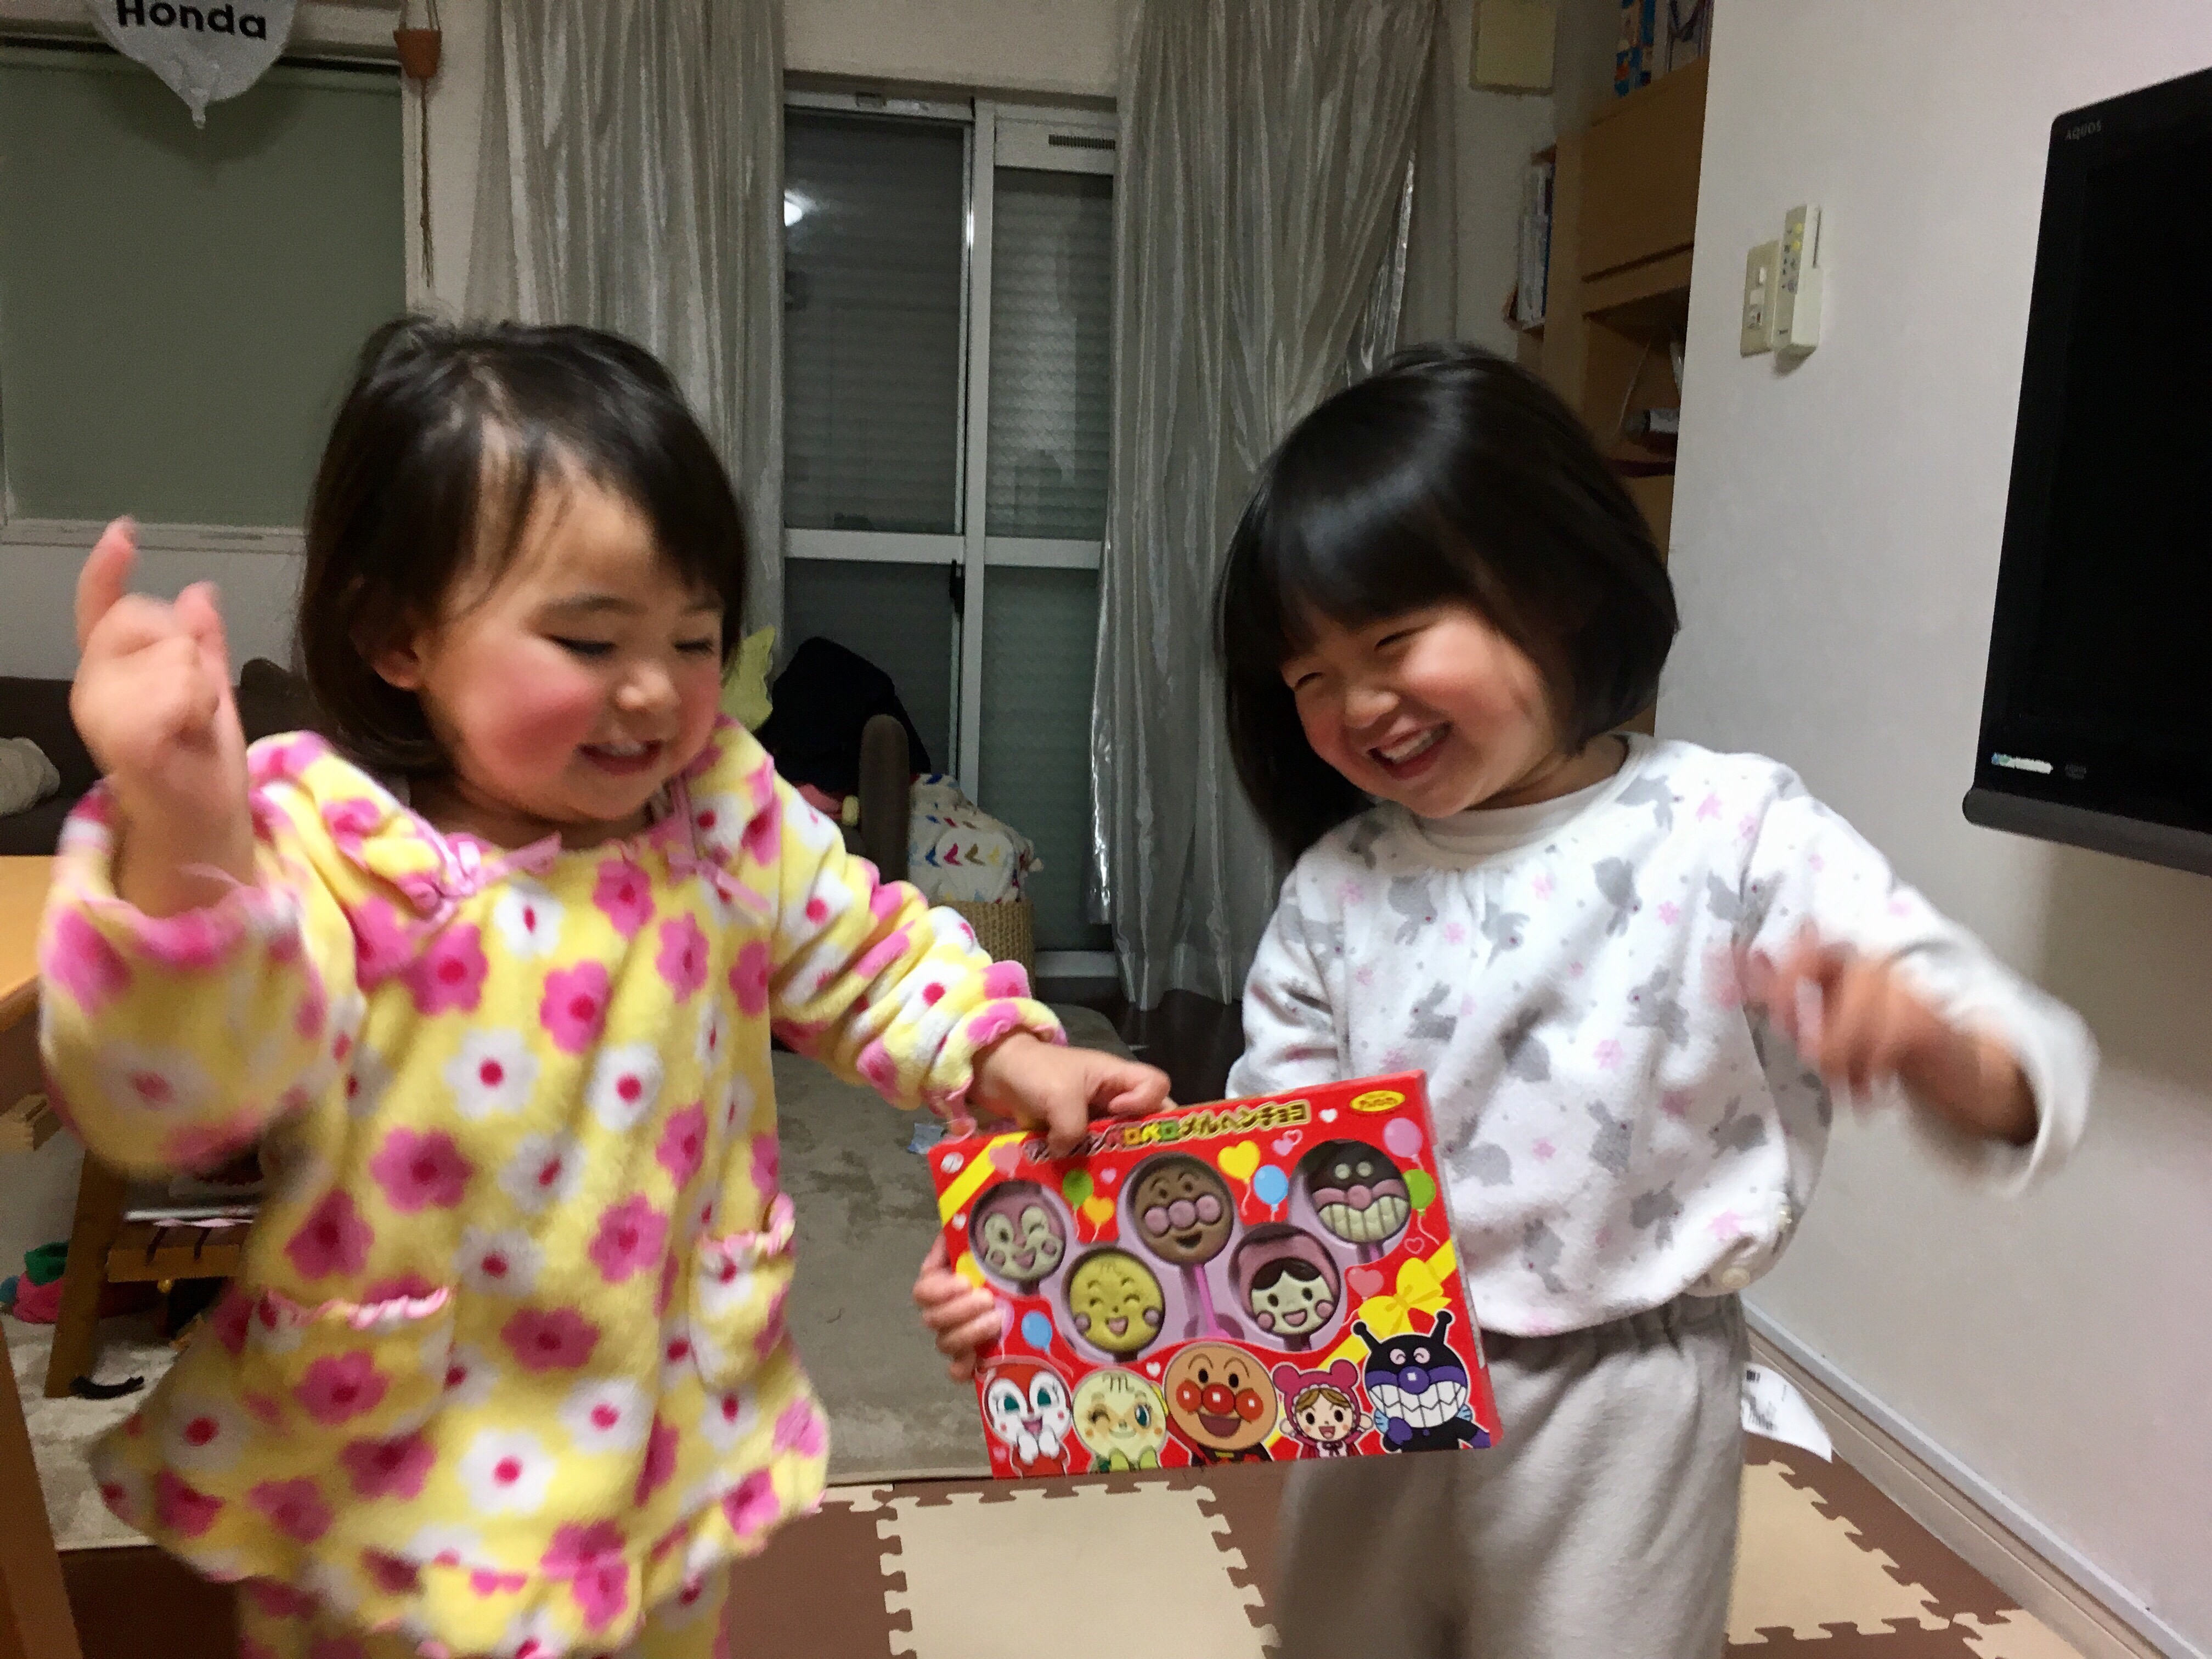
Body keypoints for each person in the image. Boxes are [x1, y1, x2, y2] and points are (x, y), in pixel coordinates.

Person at [914, 343, 2096, 1657]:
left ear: (1557, 587)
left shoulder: (1733, 828)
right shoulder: (1338, 887)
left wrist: (1935, 1046)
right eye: (1309, 678)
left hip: (1619, 1403)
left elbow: (2017, 1061)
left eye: (1393, 642)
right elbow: (1261, 1181)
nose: (1359, 705)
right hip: (1373, 1365)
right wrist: (1044, 1290)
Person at [40, 319, 1169, 1659]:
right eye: (587, 641)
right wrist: (185, 842)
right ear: (398, 636)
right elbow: (177, 1093)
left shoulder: (720, 811)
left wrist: (1003, 1054)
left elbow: (866, 952)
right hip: (402, 1472)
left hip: (659, 1426)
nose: (653, 694)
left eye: (692, 640)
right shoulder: (326, 845)